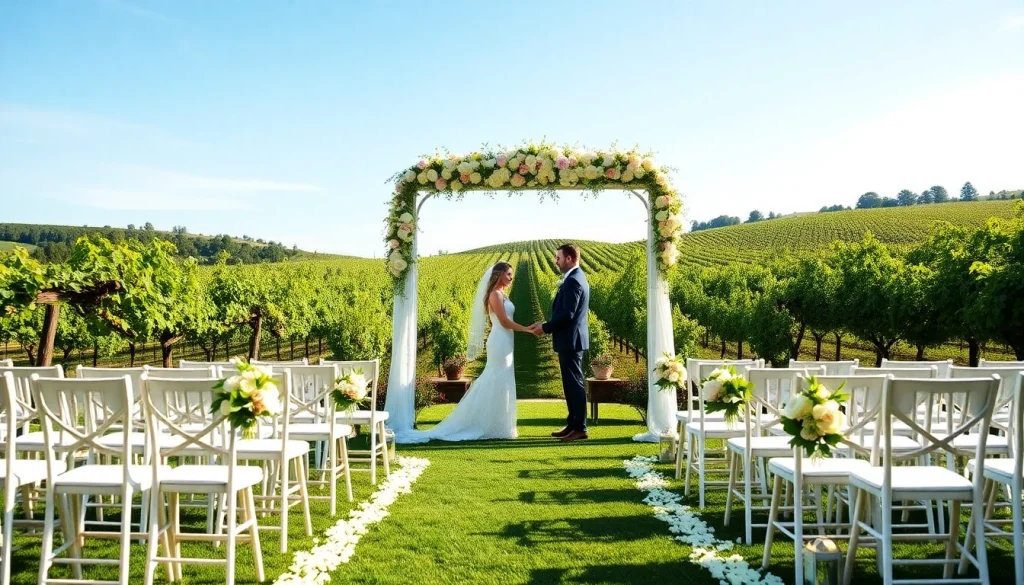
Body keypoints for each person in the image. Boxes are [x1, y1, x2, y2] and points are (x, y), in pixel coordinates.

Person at [404, 262, 530, 442]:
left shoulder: (502, 294)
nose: (511, 277)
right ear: (499, 274)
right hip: (500, 340)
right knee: (494, 377)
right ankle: (485, 423)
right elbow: (503, 321)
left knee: (502, 378)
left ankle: (499, 424)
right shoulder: (495, 294)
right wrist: (528, 329)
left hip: (506, 340)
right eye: (509, 274)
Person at [529, 243, 591, 443]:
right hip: (570, 339)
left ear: (569, 258)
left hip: (571, 340)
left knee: (574, 384)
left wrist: (545, 327)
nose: (556, 262)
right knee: (570, 384)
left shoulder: (573, 281)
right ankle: (573, 424)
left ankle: (579, 428)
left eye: (558, 258)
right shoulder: (575, 278)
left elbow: (568, 315)